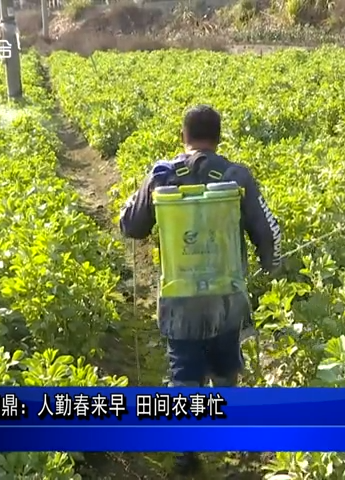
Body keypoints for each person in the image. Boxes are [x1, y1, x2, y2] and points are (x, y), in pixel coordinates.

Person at [118, 105, 282, 475]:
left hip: (180, 298)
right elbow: (268, 231)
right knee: (225, 363)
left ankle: (185, 451)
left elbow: (131, 225)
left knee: (184, 372)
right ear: (218, 138)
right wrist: (272, 269)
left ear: (184, 136)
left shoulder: (161, 176)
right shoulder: (236, 175)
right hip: (226, 295)